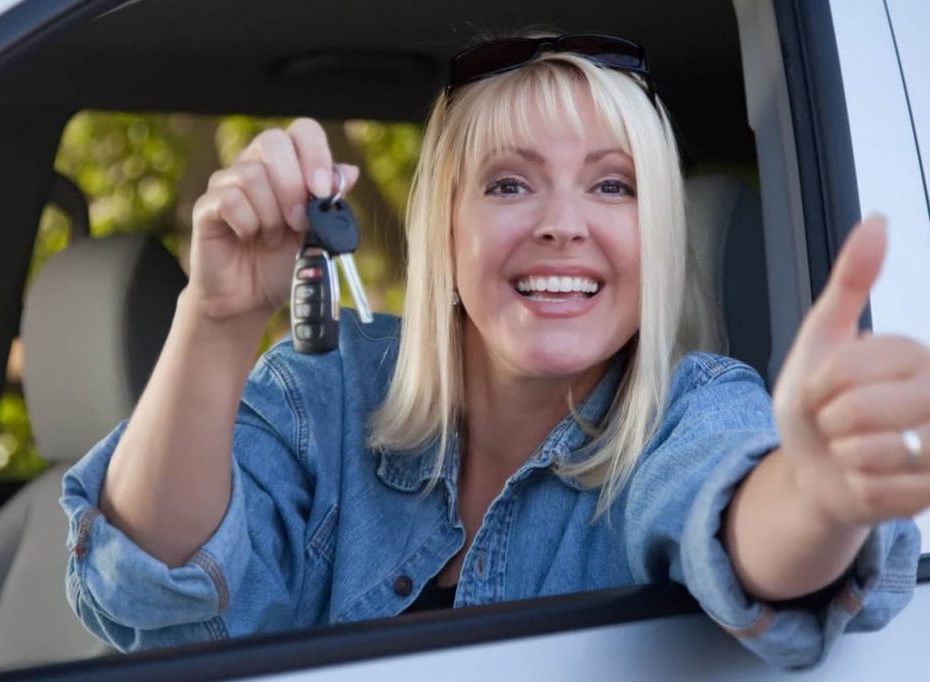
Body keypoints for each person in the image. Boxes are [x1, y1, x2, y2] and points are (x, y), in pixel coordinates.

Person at [61, 33, 928, 668]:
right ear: (445, 230)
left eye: (612, 185)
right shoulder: (325, 389)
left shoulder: (690, 411)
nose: (560, 222)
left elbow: (748, 519)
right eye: (509, 184)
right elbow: (145, 588)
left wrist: (815, 494)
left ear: (658, 236)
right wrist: (215, 317)